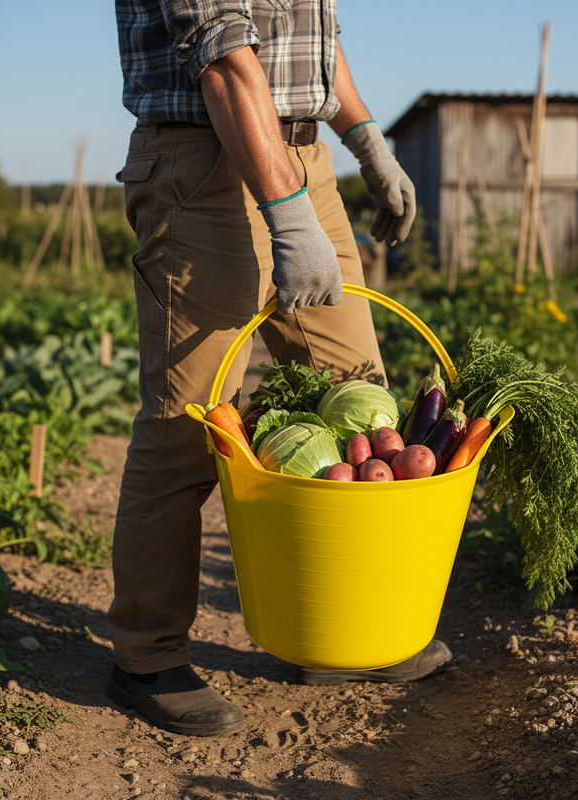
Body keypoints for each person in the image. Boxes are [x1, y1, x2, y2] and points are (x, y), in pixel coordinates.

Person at [106, 0, 452, 738]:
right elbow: (226, 53)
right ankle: (147, 653)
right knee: (188, 425)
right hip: (204, 165)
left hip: (303, 160)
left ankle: (339, 634)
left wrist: (367, 143)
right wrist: (288, 218)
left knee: (358, 397)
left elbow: (312, 44)